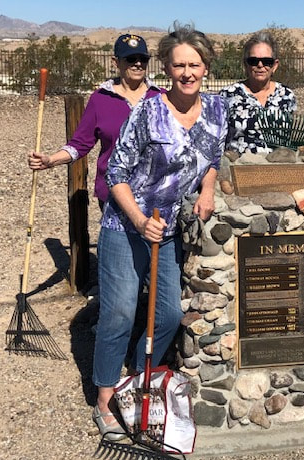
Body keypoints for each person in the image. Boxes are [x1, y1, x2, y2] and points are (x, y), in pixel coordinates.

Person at [91, 23, 228, 439]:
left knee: (168, 313)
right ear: (167, 68)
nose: (187, 72)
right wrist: (137, 220)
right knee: (119, 311)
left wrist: (206, 189)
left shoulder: (218, 110)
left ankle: (135, 375)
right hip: (125, 225)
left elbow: (213, 158)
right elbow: (116, 172)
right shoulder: (148, 112)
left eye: (195, 64)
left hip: (166, 231)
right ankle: (104, 396)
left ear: (206, 67)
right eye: (179, 65)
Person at [28, 34, 162, 209]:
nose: (138, 64)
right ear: (116, 62)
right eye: (131, 59)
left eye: (143, 59)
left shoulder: (161, 98)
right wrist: (51, 160)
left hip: (155, 195)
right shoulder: (100, 99)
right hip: (113, 196)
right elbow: (80, 144)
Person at [218, 31, 297, 154]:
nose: (260, 65)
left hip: (279, 168)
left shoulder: (286, 96)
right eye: (253, 61)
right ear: (245, 64)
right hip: (238, 168)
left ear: (275, 66)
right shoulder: (228, 95)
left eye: (267, 61)